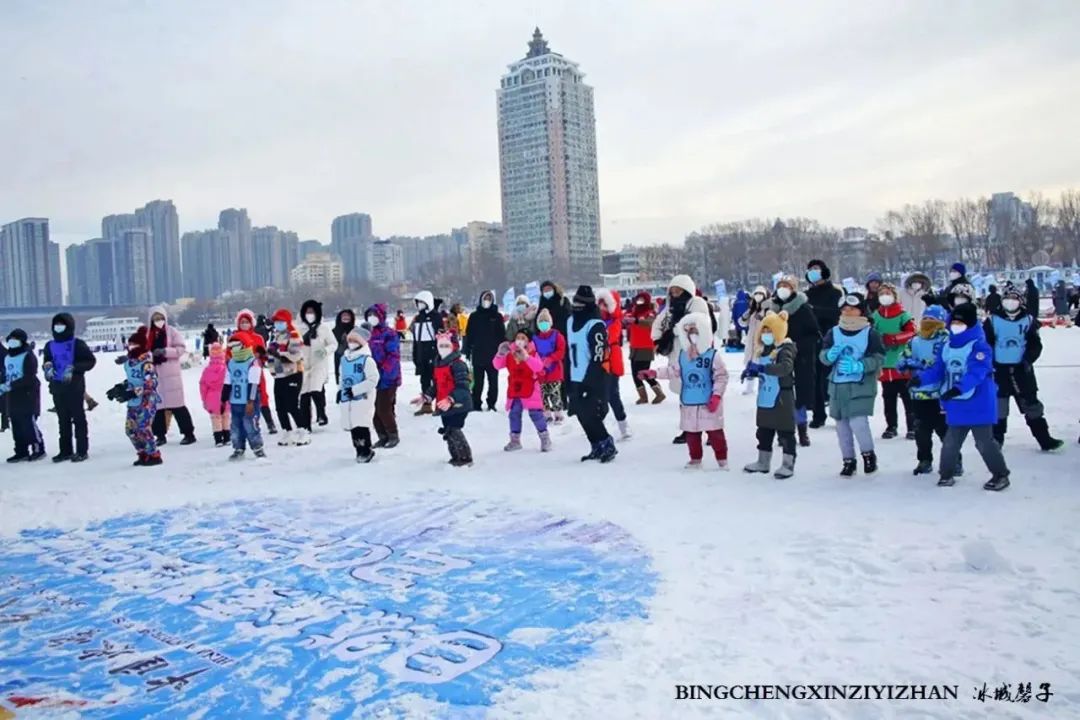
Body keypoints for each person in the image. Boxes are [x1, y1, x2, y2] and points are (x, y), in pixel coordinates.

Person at [914, 301, 1010, 490]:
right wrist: (920, 379)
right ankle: (946, 474)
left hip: (979, 401)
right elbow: (938, 369)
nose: (957, 326)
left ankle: (1000, 474)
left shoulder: (980, 346)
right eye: (955, 322)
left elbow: (977, 372)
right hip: (955, 401)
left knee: (984, 442)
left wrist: (959, 387)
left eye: (962, 323)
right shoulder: (947, 346)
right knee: (951, 442)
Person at [642, 312, 729, 470]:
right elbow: (674, 371)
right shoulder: (683, 356)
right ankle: (695, 459)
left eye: (695, 332)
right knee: (692, 434)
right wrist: (655, 373)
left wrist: (716, 396)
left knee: (715, 434)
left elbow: (721, 376)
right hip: (689, 401)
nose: (692, 335)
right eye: (688, 332)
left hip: (708, 402)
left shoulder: (712, 355)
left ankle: (722, 459)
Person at [983, 285, 1064, 452]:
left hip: (1022, 371)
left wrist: (1028, 359)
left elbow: (1035, 344)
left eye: (1014, 299)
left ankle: (1044, 439)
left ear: (1020, 301)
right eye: (1007, 299)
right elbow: (986, 344)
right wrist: (990, 362)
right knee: (998, 408)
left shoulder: (1028, 320)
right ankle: (996, 441)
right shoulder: (992, 320)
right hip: (999, 371)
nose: (1010, 302)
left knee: (1032, 406)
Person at [820, 292, 885, 476]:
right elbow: (823, 355)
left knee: (858, 423)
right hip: (838, 385)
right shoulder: (833, 332)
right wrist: (828, 356)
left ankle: (868, 455)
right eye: (845, 309)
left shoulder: (870, 333)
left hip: (860, 386)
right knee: (842, 426)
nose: (848, 312)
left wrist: (860, 365)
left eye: (852, 309)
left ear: (861, 311)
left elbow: (879, 358)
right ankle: (848, 460)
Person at [652, 274, 711, 443]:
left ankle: (709, 430)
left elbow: (696, 325)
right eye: (672, 291)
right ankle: (688, 429)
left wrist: (673, 332)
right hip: (678, 355)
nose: (675, 293)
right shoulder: (670, 308)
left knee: (701, 393)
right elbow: (658, 323)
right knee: (685, 396)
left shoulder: (697, 303)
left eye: (678, 290)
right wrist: (658, 340)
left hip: (696, 353)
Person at [898, 305, 954, 475]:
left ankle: (953, 461)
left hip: (940, 394)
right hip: (918, 394)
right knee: (921, 430)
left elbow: (943, 365)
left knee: (944, 431)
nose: (929, 323)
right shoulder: (914, 341)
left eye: (933, 320)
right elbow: (902, 361)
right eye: (926, 319)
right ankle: (924, 460)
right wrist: (905, 365)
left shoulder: (946, 341)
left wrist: (919, 365)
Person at [741, 311, 798, 478]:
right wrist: (753, 372)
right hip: (765, 397)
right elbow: (763, 371)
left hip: (781, 397)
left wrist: (763, 369)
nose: (766, 335)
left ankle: (788, 464)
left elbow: (785, 368)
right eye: (764, 331)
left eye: (770, 331)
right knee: (764, 431)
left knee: (785, 432)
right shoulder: (763, 351)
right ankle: (763, 461)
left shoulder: (785, 349)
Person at [766, 275, 820, 447]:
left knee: (800, 396)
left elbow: (814, 334)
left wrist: (796, 346)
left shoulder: (803, 308)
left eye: (786, 285)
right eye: (780, 285)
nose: (782, 288)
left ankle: (802, 429)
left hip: (800, 356)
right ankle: (785, 432)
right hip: (778, 356)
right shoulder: (772, 309)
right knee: (781, 395)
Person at [568, 285, 617, 463]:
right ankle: (595, 445)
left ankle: (606, 443)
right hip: (574, 375)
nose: (577, 307)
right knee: (580, 413)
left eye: (581, 304)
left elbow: (598, 356)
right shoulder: (570, 322)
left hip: (593, 376)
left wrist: (590, 381)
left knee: (591, 413)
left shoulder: (595, 325)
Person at [43, 313, 97, 463]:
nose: (58, 327)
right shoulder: (50, 345)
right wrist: (47, 367)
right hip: (57, 387)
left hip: (74, 386)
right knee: (63, 420)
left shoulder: (77, 344)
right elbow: (47, 359)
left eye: (62, 324)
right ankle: (65, 450)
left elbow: (90, 361)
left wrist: (74, 368)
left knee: (78, 419)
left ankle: (81, 450)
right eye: (56, 324)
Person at [143, 305, 196, 447]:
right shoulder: (148, 335)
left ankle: (188, 433)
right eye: (155, 319)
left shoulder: (172, 332)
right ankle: (160, 435)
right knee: (158, 408)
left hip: (171, 374)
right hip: (156, 375)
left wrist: (165, 352)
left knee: (178, 406)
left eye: (160, 318)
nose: (158, 321)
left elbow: (180, 349)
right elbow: (142, 352)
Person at [493, 330, 551, 452]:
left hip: (530, 388)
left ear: (527, 341)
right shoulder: (510, 354)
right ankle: (515, 440)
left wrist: (526, 357)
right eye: (518, 337)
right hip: (515, 388)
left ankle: (545, 437)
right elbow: (497, 366)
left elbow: (538, 367)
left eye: (523, 338)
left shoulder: (533, 353)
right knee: (514, 413)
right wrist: (500, 354)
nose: (520, 340)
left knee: (536, 414)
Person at [871, 283, 916, 440]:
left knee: (907, 397)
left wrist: (896, 338)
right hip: (885, 364)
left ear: (894, 295)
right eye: (881, 293)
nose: (884, 295)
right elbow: (872, 333)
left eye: (887, 292)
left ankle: (912, 426)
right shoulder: (876, 315)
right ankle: (891, 426)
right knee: (888, 398)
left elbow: (912, 332)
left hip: (901, 362)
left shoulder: (903, 315)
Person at [112, 326, 162, 467]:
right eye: (130, 344)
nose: (131, 347)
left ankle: (153, 454)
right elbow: (132, 381)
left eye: (135, 345)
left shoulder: (146, 363)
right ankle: (142, 453)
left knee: (143, 428)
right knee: (130, 430)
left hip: (147, 401)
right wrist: (121, 388)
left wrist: (134, 392)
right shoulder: (129, 363)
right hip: (133, 402)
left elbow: (151, 383)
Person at [425, 331, 473, 467]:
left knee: (454, 429)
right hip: (443, 404)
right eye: (441, 346)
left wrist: (451, 399)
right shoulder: (439, 364)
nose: (443, 349)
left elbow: (463, 387)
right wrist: (427, 396)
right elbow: (437, 385)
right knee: (447, 429)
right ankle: (455, 455)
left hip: (458, 404)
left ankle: (465, 457)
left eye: (446, 345)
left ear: (453, 347)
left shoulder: (458, 365)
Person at [805, 260, 842, 428]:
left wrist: (815, 310)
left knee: (832, 377)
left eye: (816, 269)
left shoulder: (835, 292)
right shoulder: (807, 294)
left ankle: (838, 411)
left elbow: (836, 314)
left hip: (831, 337)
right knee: (815, 378)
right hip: (812, 339)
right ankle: (818, 415)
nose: (813, 272)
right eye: (810, 269)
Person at [1, 329, 45, 462]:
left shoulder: (28, 356)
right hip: (12, 395)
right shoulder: (7, 357)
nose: (12, 341)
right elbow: (5, 373)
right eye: (11, 338)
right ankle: (21, 450)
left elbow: (30, 377)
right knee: (16, 424)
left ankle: (38, 447)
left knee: (28, 423)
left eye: (16, 339)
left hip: (27, 393)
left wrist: (12, 385)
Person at [337, 325, 380, 463]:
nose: (351, 343)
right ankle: (358, 449)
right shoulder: (344, 359)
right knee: (353, 426)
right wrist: (340, 391)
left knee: (361, 424)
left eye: (355, 340)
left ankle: (366, 450)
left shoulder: (367, 360)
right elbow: (341, 376)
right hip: (348, 398)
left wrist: (355, 390)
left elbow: (373, 380)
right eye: (350, 340)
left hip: (362, 398)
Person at [364, 303, 402, 448]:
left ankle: (393, 434)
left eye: (375, 315)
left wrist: (384, 371)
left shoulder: (389, 333)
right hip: (372, 377)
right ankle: (382, 436)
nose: (372, 318)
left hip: (388, 377)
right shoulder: (367, 334)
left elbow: (393, 355)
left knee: (384, 408)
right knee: (374, 410)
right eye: (369, 315)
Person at [266, 308, 306, 446]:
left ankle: (303, 430)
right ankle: (287, 431)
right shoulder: (275, 336)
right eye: (276, 321)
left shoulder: (293, 335)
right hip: (279, 376)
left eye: (281, 321)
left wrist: (278, 354)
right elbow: (271, 355)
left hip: (293, 374)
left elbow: (295, 355)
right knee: (280, 407)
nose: (278, 324)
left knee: (292, 405)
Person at [224, 334, 267, 461]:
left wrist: (251, 401)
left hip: (248, 402)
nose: (233, 349)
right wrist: (223, 398)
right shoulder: (231, 363)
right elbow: (227, 382)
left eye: (236, 345)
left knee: (250, 425)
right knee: (236, 426)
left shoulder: (252, 362)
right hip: (235, 401)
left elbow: (254, 384)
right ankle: (238, 448)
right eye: (230, 346)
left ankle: (258, 448)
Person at [463, 290, 505, 412]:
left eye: (489, 299)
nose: (487, 301)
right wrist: (467, 349)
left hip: (493, 355)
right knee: (477, 382)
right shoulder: (474, 316)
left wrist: (502, 351)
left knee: (493, 382)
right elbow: (469, 334)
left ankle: (491, 403)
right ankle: (476, 403)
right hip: (477, 354)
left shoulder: (497, 316)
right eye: (485, 298)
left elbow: (501, 335)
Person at [597, 289, 630, 440]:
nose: (602, 307)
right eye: (600, 304)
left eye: (605, 304)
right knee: (598, 395)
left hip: (612, 361)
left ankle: (623, 424)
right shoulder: (596, 320)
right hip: (598, 361)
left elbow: (609, 337)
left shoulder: (615, 320)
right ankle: (597, 425)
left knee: (612, 394)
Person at [299, 299, 337, 429]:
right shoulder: (299, 328)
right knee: (304, 395)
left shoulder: (323, 328)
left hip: (319, 364)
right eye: (307, 312)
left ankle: (321, 414)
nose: (310, 314)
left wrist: (325, 351)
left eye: (312, 312)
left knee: (316, 390)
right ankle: (305, 424)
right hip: (303, 365)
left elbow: (334, 344)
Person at [537, 280, 573, 407]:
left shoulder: (563, 301)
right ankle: (550, 402)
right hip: (546, 344)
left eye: (549, 289)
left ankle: (566, 400)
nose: (547, 292)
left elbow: (569, 320)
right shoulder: (542, 304)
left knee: (564, 372)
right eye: (544, 290)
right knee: (549, 374)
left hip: (561, 341)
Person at [627, 291, 665, 405]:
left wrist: (637, 321)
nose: (639, 302)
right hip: (634, 347)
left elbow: (650, 322)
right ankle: (643, 397)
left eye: (642, 300)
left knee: (643, 373)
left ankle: (659, 393)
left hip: (646, 347)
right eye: (638, 299)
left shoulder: (651, 313)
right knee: (635, 374)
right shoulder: (634, 312)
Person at [533, 308, 567, 424]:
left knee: (554, 393)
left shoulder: (557, 336)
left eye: (545, 321)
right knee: (542, 394)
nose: (543, 324)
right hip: (540, 371)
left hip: (554, 370)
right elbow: (533, 352)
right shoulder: (535, 338)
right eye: (541, 322)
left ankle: (558, 414)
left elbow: (561, 351)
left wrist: (551, 358)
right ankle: (546, 414)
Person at [411, 290, 442, 415]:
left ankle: (440, 404)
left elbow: (441, 335)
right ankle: (426, 404)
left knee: (437, 381)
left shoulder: (436, 317)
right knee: (424, 380)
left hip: (434, 353)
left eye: (421, 302)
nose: (419, 305)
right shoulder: (418, 318)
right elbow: (416, 338)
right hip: (421, 353)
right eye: (418, 303)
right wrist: (415, 355)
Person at [199, 341, 230, 447]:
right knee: (226, 417)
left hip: (212, 397)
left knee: (215, 419)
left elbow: (203, 386)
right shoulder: (226, 369)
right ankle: (227, 437)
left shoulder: (207, 370)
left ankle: (218, 439)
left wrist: (204, 399)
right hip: (225, 396)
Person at [740, 286, 769, 396]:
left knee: (761, 364)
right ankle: (749, 387)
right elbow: (742, 323)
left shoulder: (767, 309)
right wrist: (745, 315)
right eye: (756, 294)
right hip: (751, 341)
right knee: (750, 364)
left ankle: (763, 386)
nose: (758, 296)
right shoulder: (752, 310)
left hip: (762, 340)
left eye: (760, 294)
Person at [332, 308, 356, 386]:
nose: (346, 317)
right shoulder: (334, 331)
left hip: (353, 357)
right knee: (340, 380)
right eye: (344, 316)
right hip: (339, 356)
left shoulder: (355, 330)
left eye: (348, 316)